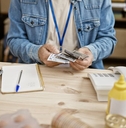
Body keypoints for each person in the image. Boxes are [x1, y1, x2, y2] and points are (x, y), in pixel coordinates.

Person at [7, 0, 117, 70]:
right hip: (36, 71)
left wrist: (91, 51)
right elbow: (14, 40)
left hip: (84, 73)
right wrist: (37, 52)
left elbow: (108, 38)